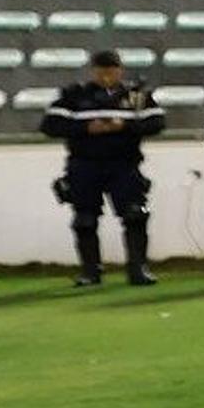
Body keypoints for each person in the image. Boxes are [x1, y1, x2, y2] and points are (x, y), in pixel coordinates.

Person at [45, 49, 163, 287]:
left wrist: (126, 126)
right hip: (85, 165)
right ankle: (91, 271)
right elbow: (50, 124)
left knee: (135, 214)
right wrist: (86, 129)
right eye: (102, 71)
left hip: (124, 164)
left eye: (112, 71)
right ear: (94, 71)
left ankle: (138, 268)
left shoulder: (136, 96)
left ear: (120, 71)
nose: (107, 76)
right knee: (85, 219)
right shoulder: (74, 96)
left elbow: (157, 122)